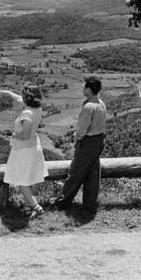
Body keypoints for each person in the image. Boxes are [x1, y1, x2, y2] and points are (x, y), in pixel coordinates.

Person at [54, 76, 106, 214]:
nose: (82, 88)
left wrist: (77, 141)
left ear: (89, 89)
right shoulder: (100, 103)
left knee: (76, 172)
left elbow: (82, 129)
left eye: (84, 86)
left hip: (88, 142)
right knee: (92, 174)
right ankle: (89, 205)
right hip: (98, 141)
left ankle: (62, 202)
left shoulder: (89, 106)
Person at [0, 84, 48, 218]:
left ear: (27, 98)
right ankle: (28, 208)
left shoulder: (26, 113)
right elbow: (21, 99)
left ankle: (36, 207)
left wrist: (14, 135)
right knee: (31, 178)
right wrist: (8, 92)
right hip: (34, 147)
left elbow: (25, 135)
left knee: (22, 181)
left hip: (24, 149)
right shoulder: (37, 109)